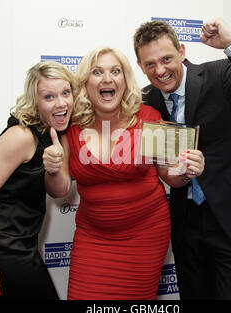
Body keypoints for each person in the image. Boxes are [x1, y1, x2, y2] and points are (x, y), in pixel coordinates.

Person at [133, 18, 231, 300]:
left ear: (182, 52)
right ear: (140, 66)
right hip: (185, 225)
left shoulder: (219, 74)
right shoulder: (145, 100)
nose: (160, 70)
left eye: (166, 58)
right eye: (149, 64)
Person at [43, 46, 205, 299]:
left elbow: (169, 175)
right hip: (93, 238)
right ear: (85, 82)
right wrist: (52, 169)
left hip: (146, 236)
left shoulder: (149, 118)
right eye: (97, 72)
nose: (107, 78)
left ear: (124, 80)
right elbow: (59, 189)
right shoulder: (71, 126)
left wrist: (184, 172)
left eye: (115, 71)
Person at [0, 61, 76, 299]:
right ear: (35, 102)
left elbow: (61, 191)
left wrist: (54, 169)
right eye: (49, 96)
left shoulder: (57, 134)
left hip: (23, 243)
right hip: (2, 247)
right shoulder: (21, 135)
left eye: (66, 93)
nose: (61, 103)